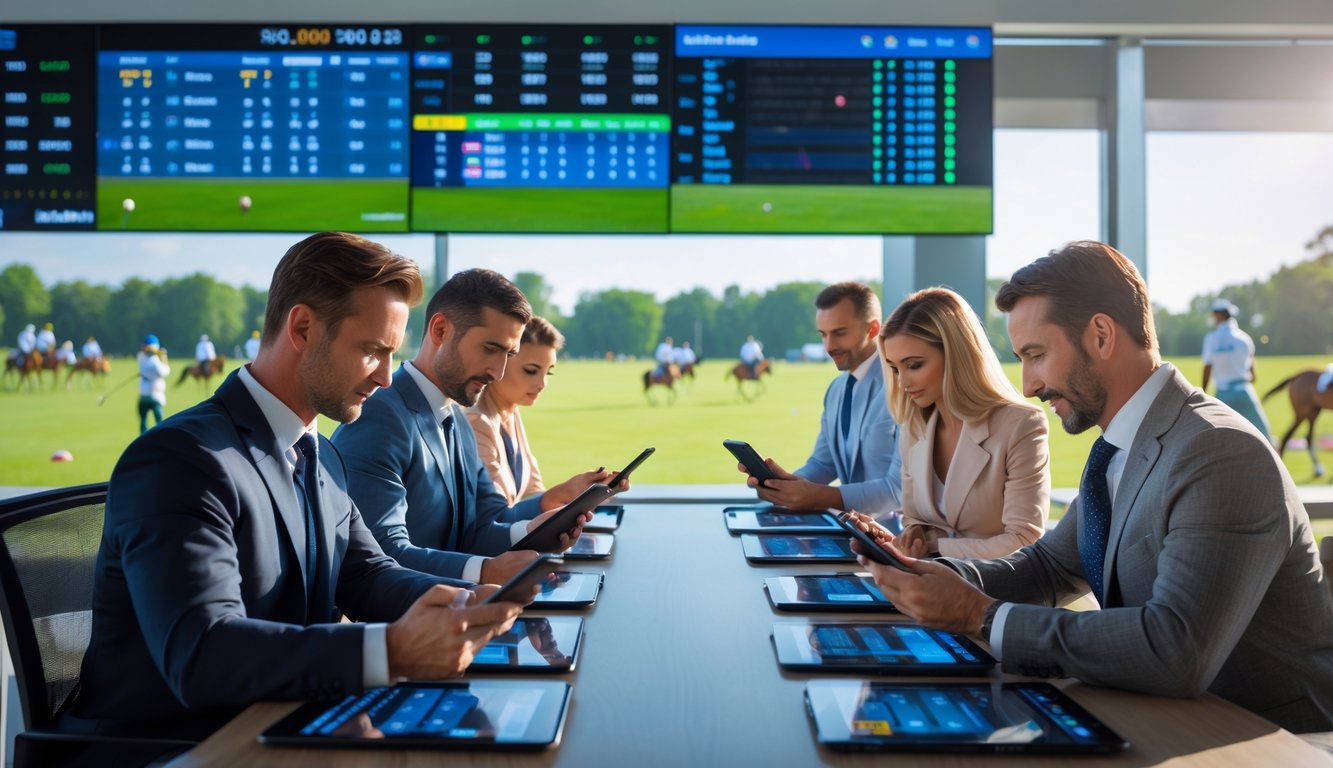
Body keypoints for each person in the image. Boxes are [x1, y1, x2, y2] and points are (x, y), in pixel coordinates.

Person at [855, 240, 1333, 733]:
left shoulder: (1218, 451)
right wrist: (930, 576)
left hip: (1267, 739)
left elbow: (1176, 649)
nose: (1028, 386)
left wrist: (980, 615)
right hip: (1169, 717)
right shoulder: (1119, 442)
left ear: (1101, 336)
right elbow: (1050, 567)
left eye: (1036, 355)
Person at [69, 232, 525, 742]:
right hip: (171, 747)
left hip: (281, 724)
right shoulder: (180, 460)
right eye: (372, 351)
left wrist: (470, 603)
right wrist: (392, 650)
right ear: (303, 328)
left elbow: (367, 575)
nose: (385, 378)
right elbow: (202, 652)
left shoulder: (320, 452)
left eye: (391, 354)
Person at [333, 270, 613, 586]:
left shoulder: (458, 421)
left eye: (509, 354)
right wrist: (485, 572)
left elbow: (483, 526)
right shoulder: (379, 415)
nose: (498, 372)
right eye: (490, 349)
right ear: (440, 330)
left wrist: (536, 529)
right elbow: (381, 555)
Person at [877, 287, 1048, 559]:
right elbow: (914, 520)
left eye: (914, 365)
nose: (903, 382)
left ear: (955, 356)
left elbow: (1023, 541)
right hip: (925, 580)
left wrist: (935, 547)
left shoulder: (1021, 426)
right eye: (895, 368)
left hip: (990, 584)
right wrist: (912, 535)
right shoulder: (914, 429)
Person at [739, 282, 903, 515]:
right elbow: (823, 464)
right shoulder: (835, 390)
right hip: (851, 530)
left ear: (873, 329)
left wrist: (816, 496)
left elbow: (898, 491)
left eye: (839, 333)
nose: (829, 346)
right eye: (823, 335)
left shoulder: (904, 386)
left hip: (896, 534)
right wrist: (780, 485)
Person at [466, 316, 593, 507]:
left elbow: (532, 489)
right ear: (500, 362)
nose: (542, 384)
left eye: (548, 372)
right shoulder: (476, 422)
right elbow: (496, 512)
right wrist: (562, 495)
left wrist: (582, 497)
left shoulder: (511, 413)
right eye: (531, 371)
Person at [1201, 298, 1272, 442]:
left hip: (1223, 393)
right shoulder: (1244, 338)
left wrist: (1204, 392)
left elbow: (1208, 367)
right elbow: (1253, 374)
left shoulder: (1211, 339)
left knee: (1219, 438)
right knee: (1264, 435)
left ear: (1218, 315)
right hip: (1245, 390)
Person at [136, 334, 170, 433]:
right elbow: (165, 371)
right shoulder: (155, 361)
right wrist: (164, 358)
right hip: (156, 396)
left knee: (143, 421)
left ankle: (142, 439)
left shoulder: (141, 357)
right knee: (159, 422)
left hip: (143, 394)